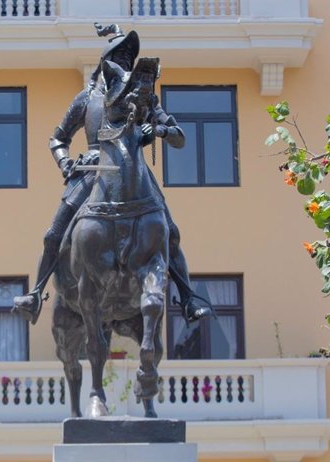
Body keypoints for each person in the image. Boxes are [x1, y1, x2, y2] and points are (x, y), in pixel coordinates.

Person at [12, 24, 212, 325]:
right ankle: (36, 294)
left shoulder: (144, 98)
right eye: (121, 56)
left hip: (135, 170)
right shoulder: (87, 98)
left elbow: (179, 136)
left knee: (170, 232)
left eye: (130, 58)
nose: (127, 62)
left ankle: (187, 298)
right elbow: (58, 138)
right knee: (54, 233)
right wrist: (65, 161)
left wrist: (159, 129)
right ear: (106, 62)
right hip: (94, 169)